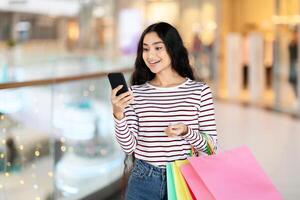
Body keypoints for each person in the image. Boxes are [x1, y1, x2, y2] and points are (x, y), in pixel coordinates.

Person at [110, 22, 218, 200]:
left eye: (158, 48)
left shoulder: (200, 91)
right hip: (143, 180)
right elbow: (128, 147)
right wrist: (118, 115)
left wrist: (186, 131)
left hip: (184, 179)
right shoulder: (136, 92)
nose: (150, 55)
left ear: (173, 49)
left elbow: (211, 147)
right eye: (145, 49)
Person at [288, 30, 298, 97]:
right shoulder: (291, 44)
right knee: (293, 80)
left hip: (295, 63)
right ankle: (296, 95)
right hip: (293, 63)